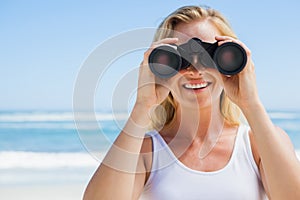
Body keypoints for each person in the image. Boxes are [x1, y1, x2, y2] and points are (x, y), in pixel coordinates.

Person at [83, 5, 300, 200]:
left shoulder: (258, 143)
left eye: (209, 56)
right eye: (180, 58)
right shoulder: (145, 151)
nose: (195, 70)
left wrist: (251, 104)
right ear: (161, 65)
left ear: (231, 61)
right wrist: (142, 107)